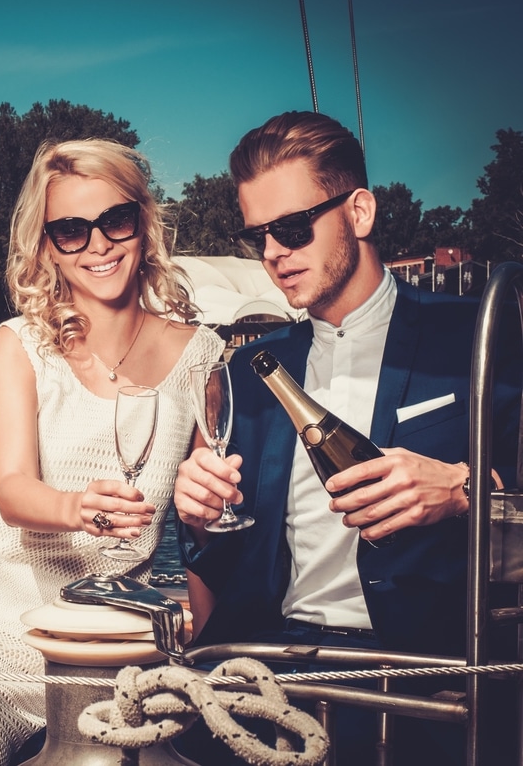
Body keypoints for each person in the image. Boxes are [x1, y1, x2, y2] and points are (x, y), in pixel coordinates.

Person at [173, 110, 521, 765]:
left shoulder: (478, 338)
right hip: (266, 670)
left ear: (358, 212)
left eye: (292, 229)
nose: (274, 254)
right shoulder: (250, 370)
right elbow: (219, 556)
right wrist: (197, 511)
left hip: (424, 681)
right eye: (259, 238)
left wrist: (459, 490)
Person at [0, 138, 225, 765]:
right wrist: (76, 507)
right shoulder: (20, 343)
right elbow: (10, 490)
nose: (98, 245)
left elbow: (205, 528)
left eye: (115, 220)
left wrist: (211, 650)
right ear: (47, 247)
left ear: (143, 223)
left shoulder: (203, 357)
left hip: (99, 632)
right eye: (70, 230)